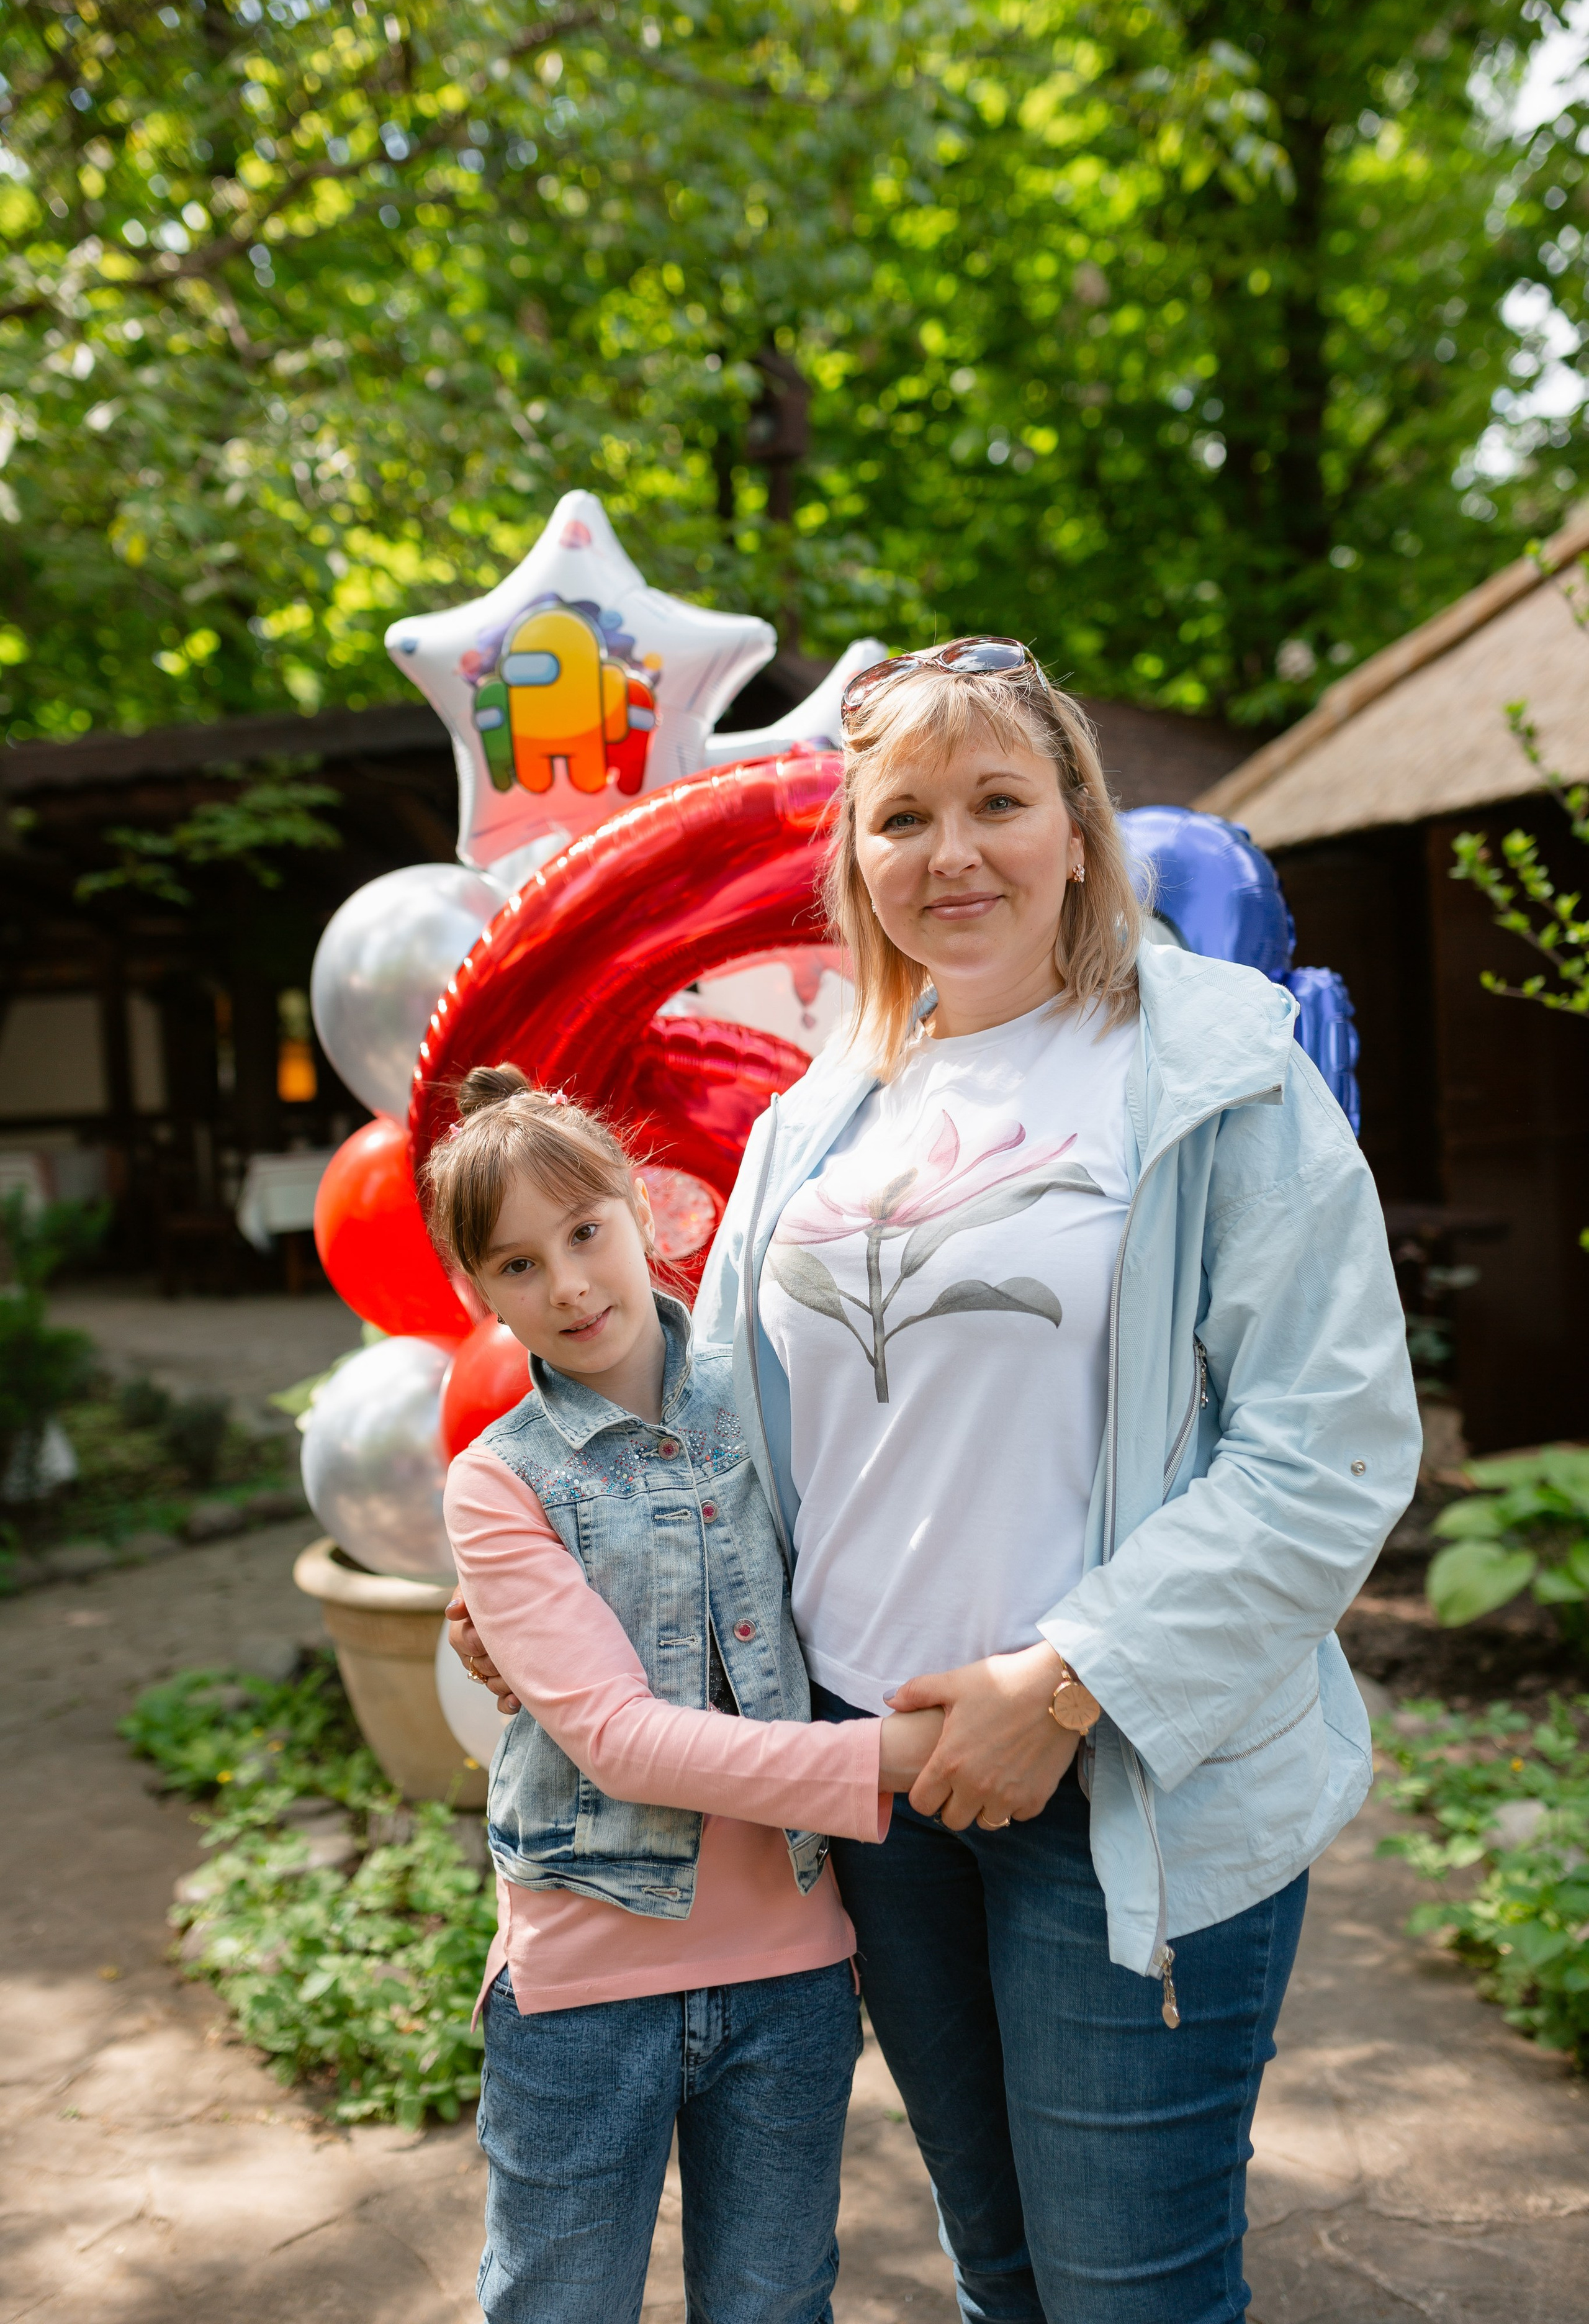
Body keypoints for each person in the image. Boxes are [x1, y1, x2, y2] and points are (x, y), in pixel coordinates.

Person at [452, 637, 1422, 2323]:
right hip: (873, 1785)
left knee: (1127, 2297)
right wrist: (565, 1577)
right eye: (902, 817)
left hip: (1116, 1782)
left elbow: (1328, 1447)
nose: (951, 852)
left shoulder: (1218, 1072)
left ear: (1078, 828)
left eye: (998, 802)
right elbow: (719, 1430)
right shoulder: (819, 1119)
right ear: (856, 858)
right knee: (999, 2278)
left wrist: (1065, 1683)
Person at [424, 1066, 945, 2324]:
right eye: (517, 1265)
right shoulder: (499, 1483)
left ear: (642, 1203)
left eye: (584, 1231)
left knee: (775, 2304)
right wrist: (883, 1760)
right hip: (583, 1986)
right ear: (474, 1290)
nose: (568, 1286)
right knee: (559, 2305)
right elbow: (615, 1739)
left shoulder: (778, 1398)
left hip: (791, 1974)